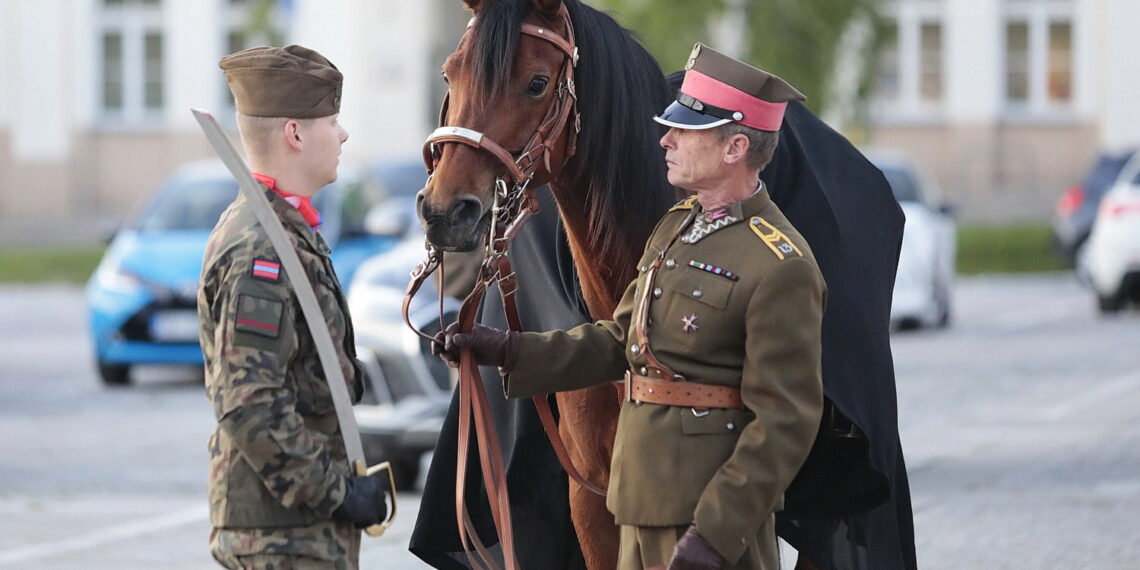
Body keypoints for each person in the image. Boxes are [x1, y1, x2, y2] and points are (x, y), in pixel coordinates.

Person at [438, 43, 826, 569]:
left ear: (735, 147)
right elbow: (621, 341)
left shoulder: (779, 263)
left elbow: (786, 421)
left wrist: (716, 533)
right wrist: (508, 350)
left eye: (684, 132)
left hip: (707, 523)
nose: (664, 139)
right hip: (637, 507)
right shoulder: (675, 229)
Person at [198, 44, 387, 570]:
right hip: (280, 538)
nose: (343, 134)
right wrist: (335, 492)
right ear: (295, 134)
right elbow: (249, 400)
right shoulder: (262, 248)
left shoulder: (284, 231)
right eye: (332, 120)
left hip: (294, 532)